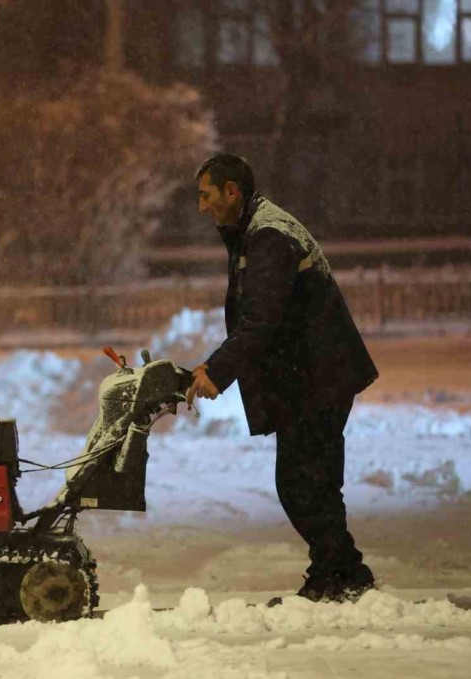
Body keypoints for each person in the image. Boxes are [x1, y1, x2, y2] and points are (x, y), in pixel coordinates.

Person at [183, 153, 380, 604]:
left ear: (232, 191)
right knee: (313, 481)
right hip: (314, 373)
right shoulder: (257, 229)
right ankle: (343, 573)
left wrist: (217, 371)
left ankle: (338, 576)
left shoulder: (268, 236)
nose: (201, 207)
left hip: (318, 375)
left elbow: (261, 320)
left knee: (302, 483)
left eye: (206, 195)